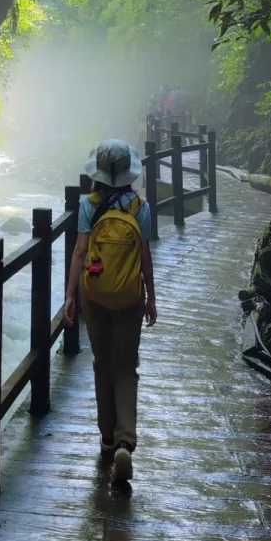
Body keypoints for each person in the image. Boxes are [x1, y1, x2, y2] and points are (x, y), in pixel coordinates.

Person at [63, 138, 156, 485]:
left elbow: (79, 253)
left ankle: (105, 439)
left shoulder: (90, 204)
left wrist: (70, 295)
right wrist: (152, 297)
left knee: (103, 365)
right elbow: (145, 255)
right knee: (126, 367)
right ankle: (125, 442)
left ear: (98, 174)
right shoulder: (139, 207)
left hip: (96, 295)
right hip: (131, 296)